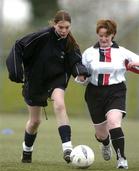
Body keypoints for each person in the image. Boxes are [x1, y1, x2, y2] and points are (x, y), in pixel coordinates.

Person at [6, 10, 90, 163]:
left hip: (56, 80)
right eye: (60, 27)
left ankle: (67, 148)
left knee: (59, 104)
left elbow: (75, 61)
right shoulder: (42, 36)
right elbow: (19, 45)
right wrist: (16, 71)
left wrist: (80, 72)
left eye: (67, 27)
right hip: (35, 81)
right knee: (35, 122)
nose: (64, 31)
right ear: (54, 24)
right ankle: (27, 151)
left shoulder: (69, 42)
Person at [80, 19, 139, 169]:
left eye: (107, 35)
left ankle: (122, 159)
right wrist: (80, 78)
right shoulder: (88, 53)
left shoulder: (122, 51)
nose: (104, 39)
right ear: (98, 35)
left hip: (116, 91)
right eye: (101, 35)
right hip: (94, 93)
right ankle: (105, 143)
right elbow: (81, 76)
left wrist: (134, 64)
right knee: (101, 134)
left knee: (113, 122)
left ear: (113, 35)